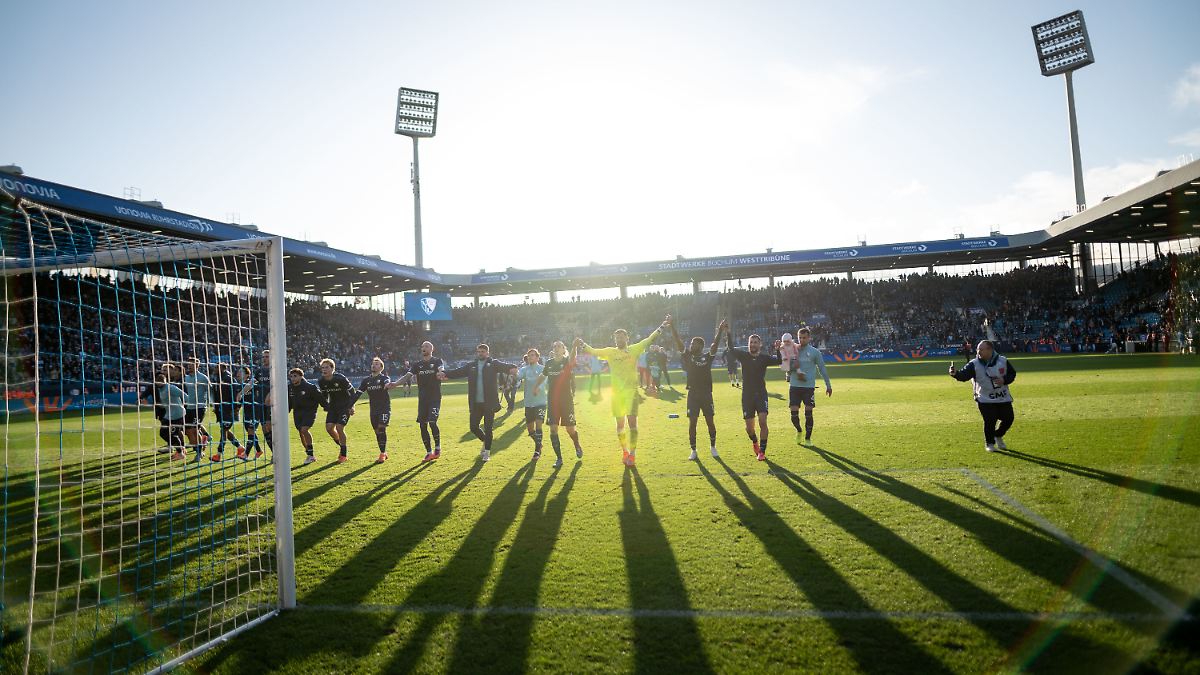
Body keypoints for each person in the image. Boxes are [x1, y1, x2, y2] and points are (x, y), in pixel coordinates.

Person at [576, 315, 671, 467]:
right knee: (620, 425)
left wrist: (663, 326)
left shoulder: (634, 349)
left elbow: (649, 339)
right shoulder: (610, 352)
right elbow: (593, 351)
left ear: (627, 338)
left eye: (621, 337)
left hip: (631, 393)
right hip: (617, 395)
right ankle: (624, 451)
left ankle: (632, 454)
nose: (619, 339)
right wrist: (582, 344)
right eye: (617, 337)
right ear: (615, 340)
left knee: (632, 424)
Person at [442, 344, 520, 462]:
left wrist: (513, 368)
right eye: (478, 352)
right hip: (475, 403)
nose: (480, 354)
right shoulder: (471, 365)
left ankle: (487, 453)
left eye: (483, 352)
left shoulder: (493, 364)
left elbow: (508, 367)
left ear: (487, 353)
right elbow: (457, 372)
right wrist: (445, 373)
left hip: (489, 403)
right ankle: (486, 441)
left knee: (488, 429)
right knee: (473, 427)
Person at [725, 321, 781, 461]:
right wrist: (728, 332)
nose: (753, 344)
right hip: (747, 396)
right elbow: (731, 348)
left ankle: (762, 451)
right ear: (748, 344)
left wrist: (778, 349)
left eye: (756, 342)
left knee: (763, 421)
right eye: (751, 342)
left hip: (761, 394)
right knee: (749, 429)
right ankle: (755, 441)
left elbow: (779, 361)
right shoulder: (744, 356)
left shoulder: (764, 358)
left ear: (760, 344)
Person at [670, 319, 725, 460]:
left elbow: (714, 345)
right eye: (691, 343)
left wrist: (720, 331)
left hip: (706, 394)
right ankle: (693, 450)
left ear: (700, 345)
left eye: (693, 343)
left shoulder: (708, 357)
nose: (690, 345)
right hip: (693, 394)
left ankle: (713, 447)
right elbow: (678, 341)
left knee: (710, 422)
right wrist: (672, 326)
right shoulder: (687, 356)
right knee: (692, 422)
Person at [949, 340, 1017, 452]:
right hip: (984, 398)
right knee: (990, 420)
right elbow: (964, 375)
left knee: (1009, 418)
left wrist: (1004, 380)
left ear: (990, 349)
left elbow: (1012, 374)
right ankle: (989, 443)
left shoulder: (1003, 360)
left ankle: (998, 435)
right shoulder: (974, 363)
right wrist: (955, 373)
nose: (978, 351)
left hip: (1002, 397)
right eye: (978, 349)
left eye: (981, 349)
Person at [394, 341, 446, 462]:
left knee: (432, 421)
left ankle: (437, 449)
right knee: (423, 425)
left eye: (426, 346)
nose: (423, 348)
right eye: (422, 346)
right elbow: (407, 376)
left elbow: (441, 369)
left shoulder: (437, 361)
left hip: (434, 398)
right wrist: (395, 383)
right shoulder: (417, 365)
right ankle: (429, 452)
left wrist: (441, 372)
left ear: (432, 349)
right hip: (422, 399)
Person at [539, 340, 583, 468]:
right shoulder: (548, 363)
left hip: (566, 401)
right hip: (552, 401)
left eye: (559, 347)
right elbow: (543, 376)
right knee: (553, 429)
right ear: (553, 350)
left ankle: (577, 445)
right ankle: (559, 458)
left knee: (570, 429)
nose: (557, 348)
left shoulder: (566, 362)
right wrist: (536, 386)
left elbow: (572, 358)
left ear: (564, 350)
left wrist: (574, 346)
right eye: (555, 346)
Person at [788, 327, 832, 445]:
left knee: (808, 412)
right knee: (793, 415)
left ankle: (808, 439)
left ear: (809, 338)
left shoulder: (815, 352)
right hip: (794, 387)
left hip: (808, 387)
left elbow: (822, 368)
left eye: (804, 338)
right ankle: (799, 430)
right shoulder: (792, 351)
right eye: (799, 338)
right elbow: (786, 367)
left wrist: (828, 385)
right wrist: (793, 370)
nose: (801, 340)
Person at [317, 358, 362, 463]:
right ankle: (342, 445)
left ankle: (343, 454)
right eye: (322, 368)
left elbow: (352, 392)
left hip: (345, 406)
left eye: (326, 367)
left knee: (339, 427)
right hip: (333, 407)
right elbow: (325, 395)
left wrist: (352, 406)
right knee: (329, 428)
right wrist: (325, 405)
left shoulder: (340, 378)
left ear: (332, 368)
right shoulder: (321, 381)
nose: (324, 370)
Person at [359, 357, 402, 463]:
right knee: (377, 431)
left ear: (381, 368)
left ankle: (382, 454)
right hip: (373, 410)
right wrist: (350, 405)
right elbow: (357, 393)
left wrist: (388, 385)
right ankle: (383, 451)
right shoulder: (366, 381)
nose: (374, 365)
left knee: (381, 428)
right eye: (373, 364)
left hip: (384, 408)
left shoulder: (383, 378)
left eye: (377, 364)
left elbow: (387, 382)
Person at [208, 362, 245, 461]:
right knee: (224, 430)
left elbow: (236, 395)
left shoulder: (228, 379)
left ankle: (219, 454)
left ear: (223, 368)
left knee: (223, 431)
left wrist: (236, 408)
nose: (215, 368)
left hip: (228, 410)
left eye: (217, 367)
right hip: (221, 410)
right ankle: (240, 448)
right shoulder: (217, 378)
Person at [516, 348, 547, 461]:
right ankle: (539, 444)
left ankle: (537, 450)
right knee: (530, 430)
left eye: (533, 355)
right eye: (529, 356)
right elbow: (518, 377)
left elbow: (545, 382)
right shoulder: (524, 369)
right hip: (529, 403)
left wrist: (539, 387)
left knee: (539, 425)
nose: (530, 357)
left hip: (541, 402)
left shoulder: (543, 369)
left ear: (537, 357)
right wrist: (514, 374)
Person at [288, 367, 324, 464]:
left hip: (309, 412)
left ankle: (311, 455)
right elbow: (289, 402)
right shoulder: (289, 388)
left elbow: (320, 398)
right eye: (291, 376)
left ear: (301, 376)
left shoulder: (310, 387)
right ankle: (309, 453)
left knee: (304, 430)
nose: (293, 378)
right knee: (301, 432)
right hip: (297, 413)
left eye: (295, 376)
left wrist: (327, 407)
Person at [180, 357, 213, 463]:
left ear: (197, 366)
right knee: (188, 431)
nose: (189, 366)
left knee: (194, 429)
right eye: (188, 364)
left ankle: (199, 453)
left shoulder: (203, 378)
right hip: (188, 407)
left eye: (192, 364)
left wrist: (214, 404)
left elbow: (210, 390)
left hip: (200, 407)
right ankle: (203, 440)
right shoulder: (186, 378)